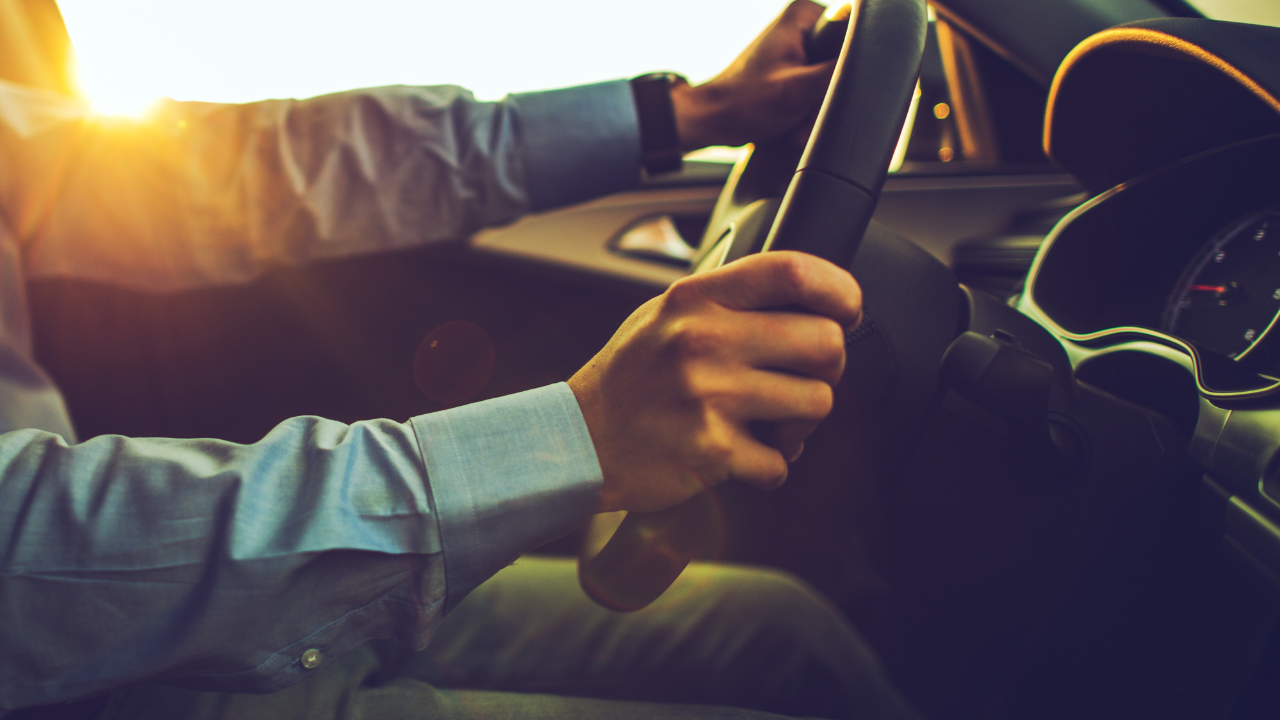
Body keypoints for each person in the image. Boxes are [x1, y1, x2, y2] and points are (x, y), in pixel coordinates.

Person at [0, 1, 921, 718]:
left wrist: (685, 112)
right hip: (75, 684)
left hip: (160, 625)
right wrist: (570, 440)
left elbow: (233, 172)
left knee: (781, 635)